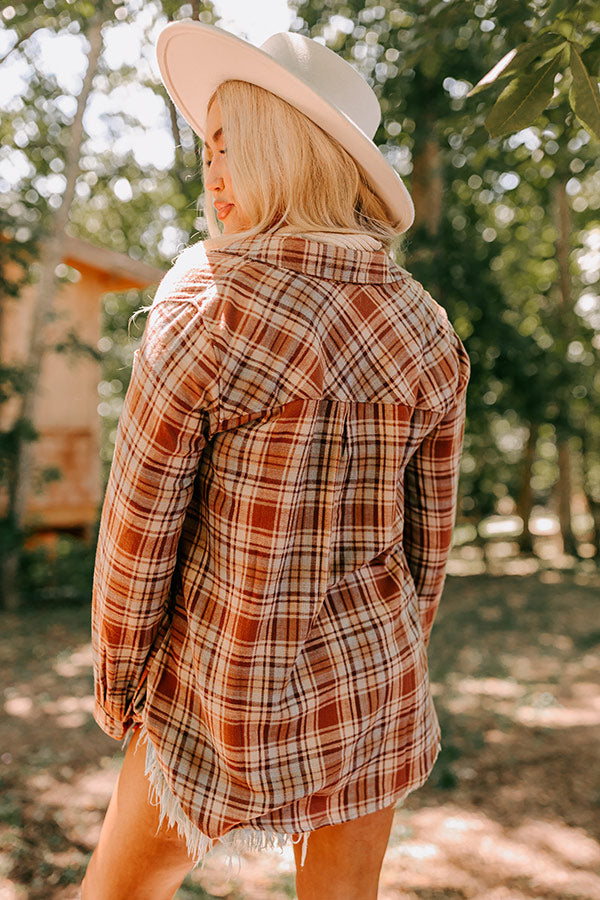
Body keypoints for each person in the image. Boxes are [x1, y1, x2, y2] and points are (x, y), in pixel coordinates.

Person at [81, 20, 470, 900]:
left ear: (285, 149)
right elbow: (429, 542)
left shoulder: (204, 301)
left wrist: (119, 680)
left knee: (114, 894)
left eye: (230, 146)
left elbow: (139, 526)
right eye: (204, 152)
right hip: (375, 680)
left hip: (219, 682)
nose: (212, 174)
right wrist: (404, 648)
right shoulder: (423, 322)